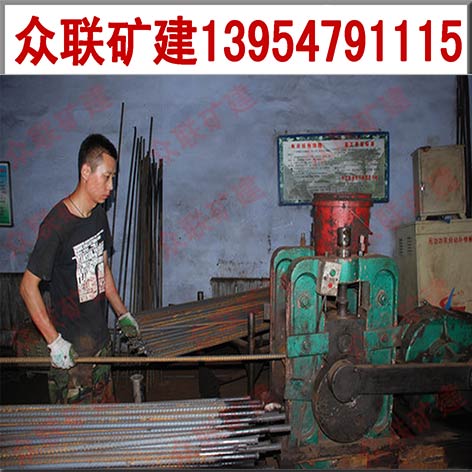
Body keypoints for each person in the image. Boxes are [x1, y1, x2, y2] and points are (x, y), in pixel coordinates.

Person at [20, 133, 140, 404]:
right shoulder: (56, 225)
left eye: (113, 178)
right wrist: (54, 342)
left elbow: (103, 267)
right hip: (72, 352)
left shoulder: (98, 215)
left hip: (100, 343)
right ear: (86, 172)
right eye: (106, 177)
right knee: (76, 425)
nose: (111, 186)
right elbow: (27, 287)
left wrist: (122, 314)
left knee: (105, 418)